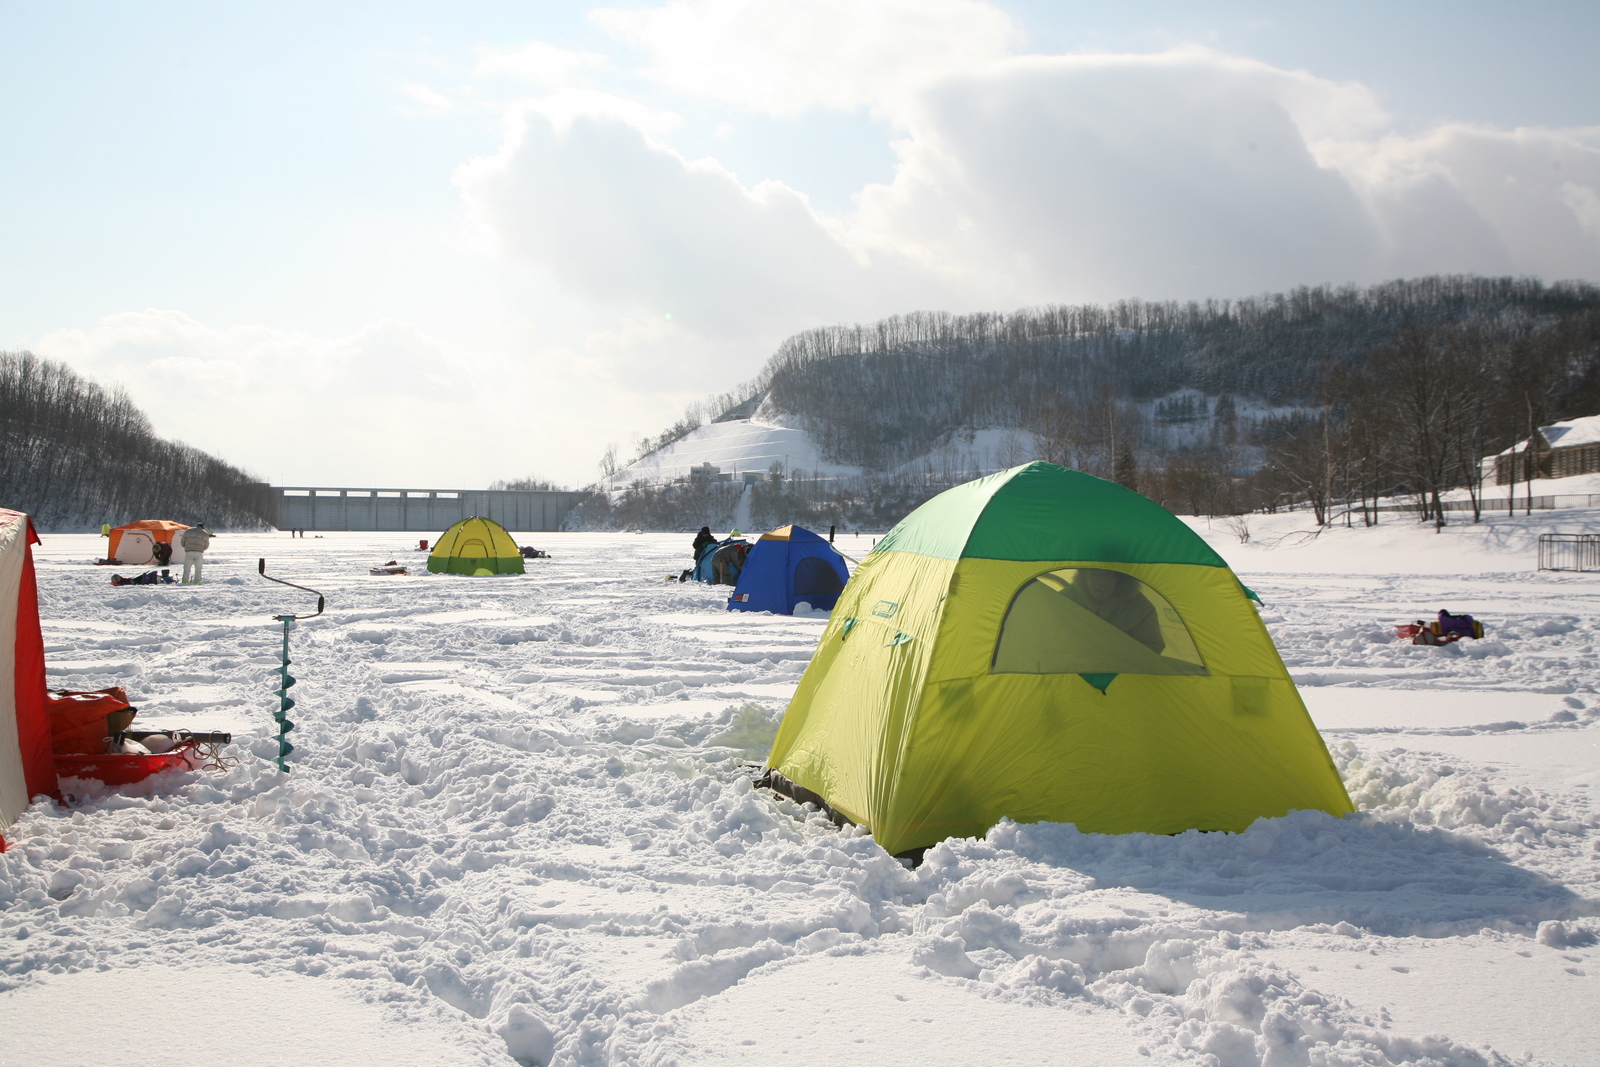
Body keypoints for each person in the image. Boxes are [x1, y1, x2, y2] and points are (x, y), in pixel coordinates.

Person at [1066, 568, 1164, 654]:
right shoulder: (1065, 600)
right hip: (1073, 670)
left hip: (1123, 671)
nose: (1101, 582)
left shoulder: (1140, 607)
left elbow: (1153, 646)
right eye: (1095, 574)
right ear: (1084, 575)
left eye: (1108, 574)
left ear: (1118, 577)